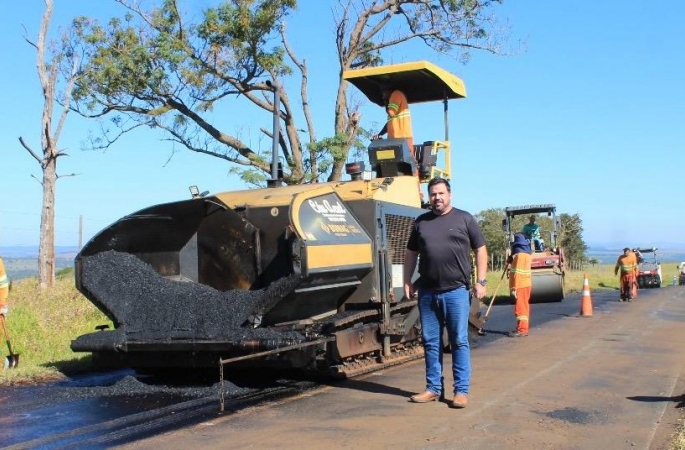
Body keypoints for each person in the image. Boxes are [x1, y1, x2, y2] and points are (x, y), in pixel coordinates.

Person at [403, 177, 488, 409]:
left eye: (441, 193)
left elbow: (480, 249)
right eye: (433, 194)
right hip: (428, 293)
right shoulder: (421, 222)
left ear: (449, 194)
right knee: (431, 342)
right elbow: (411, 252)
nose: (437, 197)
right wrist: (407, 280)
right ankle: (433, 388)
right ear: (429, 196)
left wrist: (481, 281)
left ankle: (461, 391)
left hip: (456, 292)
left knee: (459, 341)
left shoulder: (464, 219)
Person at [373, 84, 414, 159]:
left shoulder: (396, 94)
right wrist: (380, 134)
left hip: (402, 138)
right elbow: (389, 123)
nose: (383, 96)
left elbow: (391, 112)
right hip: (395, 140)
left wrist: (385, 102)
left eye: (383, 93)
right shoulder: (394, 100)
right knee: (392, 165)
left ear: (388, 90)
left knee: (407, 164)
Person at [507, 233, 532, 337]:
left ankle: (522, 330)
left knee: (520, 308)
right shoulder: (527, 255)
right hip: (526, 284)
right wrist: (511, 261)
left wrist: (514, 288)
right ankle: (522, 328)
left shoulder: (520, 257)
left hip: (520, 285)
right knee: (524, 307)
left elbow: (517, 273)